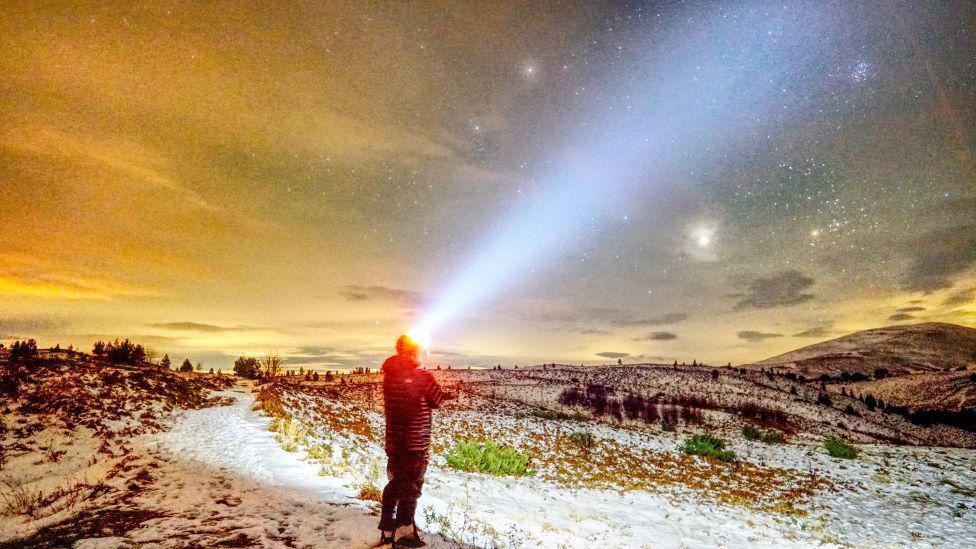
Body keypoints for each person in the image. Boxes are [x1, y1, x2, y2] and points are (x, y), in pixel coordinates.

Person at [377, 334, 449, 548]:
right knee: (411, 486)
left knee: (395, 483)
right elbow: (436, 399)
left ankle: (387, 529)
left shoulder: (389, 376)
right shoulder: (422, 377)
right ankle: (405, 532)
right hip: (415, 443)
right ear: (412, 351)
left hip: (394, 441)